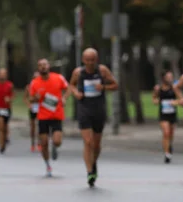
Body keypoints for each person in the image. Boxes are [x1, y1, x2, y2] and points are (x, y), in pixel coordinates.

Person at [68, 48, 118, 187]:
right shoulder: (78, 72)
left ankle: (93, 162)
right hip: (84, 109)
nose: (90, 63)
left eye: (93, 60)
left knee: (96, 144)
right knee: (88, 142)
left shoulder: (102, 71)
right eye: (87, 60)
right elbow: (71, 85)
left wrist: (103, 87)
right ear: (83, 60)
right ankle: (89, 171)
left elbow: (115, 85)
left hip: (99, 109)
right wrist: (76, 93)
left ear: (96, 59)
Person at [29, 59, 70, 177]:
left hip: (57, 114)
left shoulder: (58, 78)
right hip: (43, 116)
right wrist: (35, 98)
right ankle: (47, 164)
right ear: (38, 68)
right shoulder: (35, 83)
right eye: (40, 65)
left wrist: (64, 98)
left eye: (45, 65)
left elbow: (68, 89)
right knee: (44, 142)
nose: (43, 67)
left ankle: (55, 148)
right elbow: (31, 98)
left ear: (49, 66)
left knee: (57, 141)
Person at [152, 70, 183, 163]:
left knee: (170, 134)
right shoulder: (158, 88)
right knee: (166, 133)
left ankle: (169, 146)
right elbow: (154, 99)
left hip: (172, 114)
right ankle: (167, 154)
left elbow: (182, 100)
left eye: (171, 77)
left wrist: (175, 102)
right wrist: (157, 101)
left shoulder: (174, 88)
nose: (170, 79)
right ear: (164, 78)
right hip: (163, 114)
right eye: (168, 77)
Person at [24, 71, 40, 152]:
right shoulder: (29, 87)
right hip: (33, 108)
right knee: (33, 127)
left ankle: (39, 143)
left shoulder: (42, 86)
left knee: (40, 126)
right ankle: (33, 144)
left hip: (41, 108)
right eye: (35, 77)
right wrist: (29, 105)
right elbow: (25, 98)